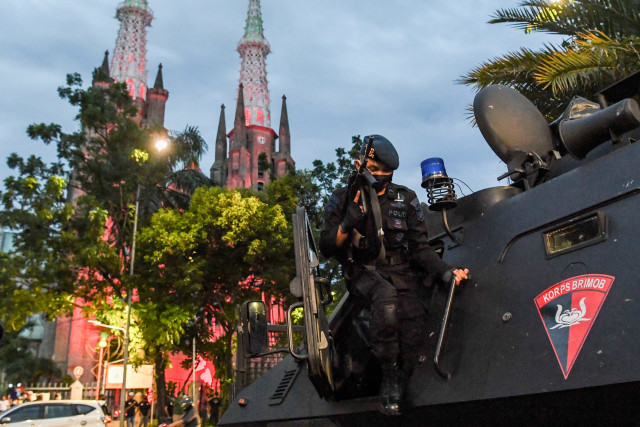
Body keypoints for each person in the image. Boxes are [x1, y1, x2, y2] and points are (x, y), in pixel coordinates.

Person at [319, 134, 469, 415]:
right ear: (362, 166)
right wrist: (347, 223)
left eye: (384, 174)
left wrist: (447, 272)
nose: (379, 178)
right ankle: (389, 375)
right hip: (364, 273)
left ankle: (402, 376)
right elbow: (327, 246)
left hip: (401, 271)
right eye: (374, 172)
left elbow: (421, 248)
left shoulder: (405, 198)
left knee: (414, 321)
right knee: (386, 300)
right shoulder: (342, 198)